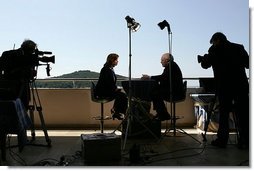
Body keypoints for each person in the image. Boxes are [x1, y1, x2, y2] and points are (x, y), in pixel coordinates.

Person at [198, 32, 249, 148]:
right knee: (243, 114)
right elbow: (248, 64)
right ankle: (246, 140)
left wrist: (206, 57)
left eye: (213, 42)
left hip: (224, 87)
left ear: (217, 40)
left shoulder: (214, 50)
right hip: (241, 85)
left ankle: (222, 140)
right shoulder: (239, 47)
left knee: (224, 114)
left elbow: (205, 65)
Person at [141, 53, 185, 121]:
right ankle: (162, 114)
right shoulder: (171, 66)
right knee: (154, 91)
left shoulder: (171, 66)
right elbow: (164, 78)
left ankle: (163, 115)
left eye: (162, 60)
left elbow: (163, 78)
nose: (160, 62)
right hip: (173, 90)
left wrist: (150, 77)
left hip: (174, 93)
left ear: (167, 60)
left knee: (155, 93)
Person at [0, 39, 38, 111]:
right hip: (20, 89)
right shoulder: (28, 58)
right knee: (22, 107)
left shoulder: (7, 54)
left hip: (5, 88)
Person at [95, 53, 128, 120]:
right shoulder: (106, 70)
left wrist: (116, 88)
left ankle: (116, 111)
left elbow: (110, 83)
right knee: (123, 96)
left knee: (121, 95)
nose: (117, 62)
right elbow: (108, 83)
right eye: (116, 60)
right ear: (112, 60)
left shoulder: (109, 69)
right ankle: (117, 112)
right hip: (103, 92)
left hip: (106, 90)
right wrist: (115, 88)